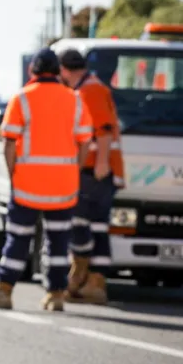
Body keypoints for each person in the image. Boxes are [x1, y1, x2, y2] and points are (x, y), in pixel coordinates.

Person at [0, 48, 93, 311]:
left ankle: (4, 291)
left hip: (27, 186)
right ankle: (55, 296)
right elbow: (85, 142)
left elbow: (9, 143)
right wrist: (73, 170)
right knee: (58, 243)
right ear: (58, 71)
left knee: (18, 239)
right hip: (64, 186)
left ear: (33, 71)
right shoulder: (75, 100)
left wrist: (13, 175)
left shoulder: (21, 99)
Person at [59, 48, 123, 304]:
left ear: (64, 70)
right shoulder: (87, 89)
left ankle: (86, 276)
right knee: (95, 225)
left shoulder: (90, 90)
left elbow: (104, 129)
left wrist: (103, 162)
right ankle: (91, 281)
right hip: (95, 167)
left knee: (82, 223)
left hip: (95, 168)